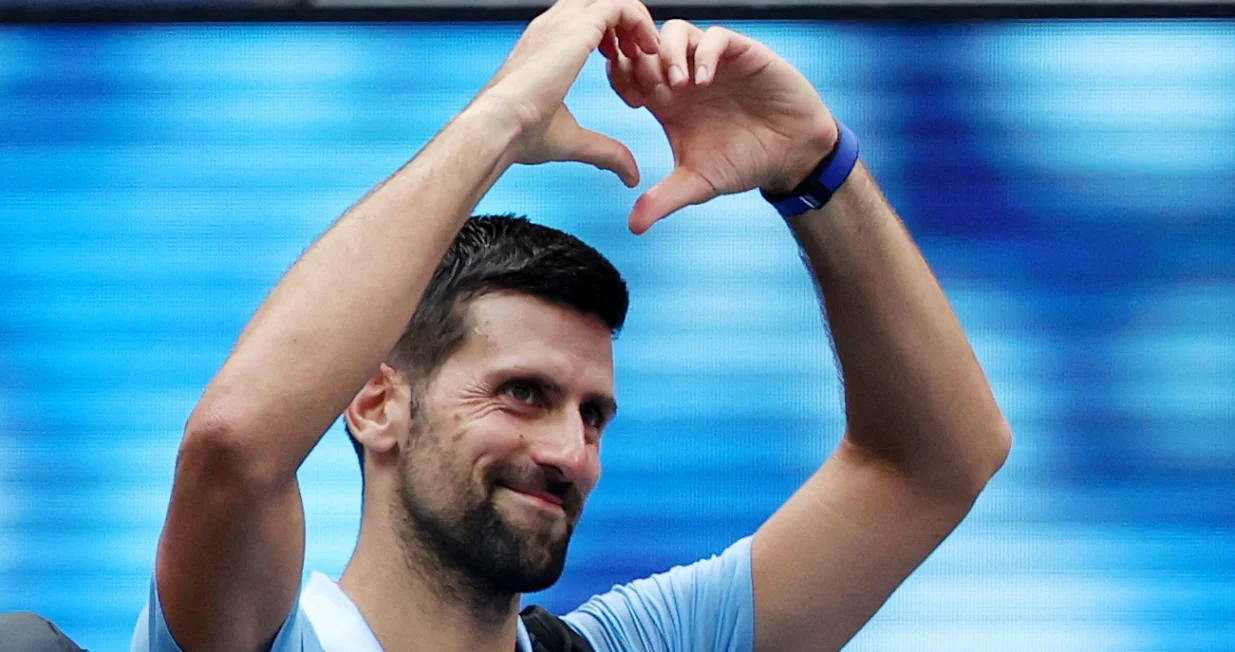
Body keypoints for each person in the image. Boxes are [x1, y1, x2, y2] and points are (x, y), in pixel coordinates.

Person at [133, 0, 1012, 650]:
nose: (567, 452)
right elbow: (233, 448)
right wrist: (502, 119)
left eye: (592, 415)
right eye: (523, 394)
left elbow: (933, 464)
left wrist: (816, 164)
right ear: (373, 404)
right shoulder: (259, 636)